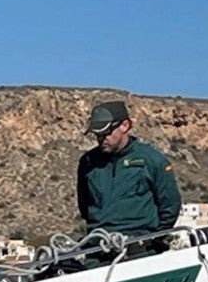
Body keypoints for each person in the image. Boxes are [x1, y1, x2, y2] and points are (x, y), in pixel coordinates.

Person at [77, 101, 181, 247]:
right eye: (97, 134)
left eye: (106, 132)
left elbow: (170, 205)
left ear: (125, 126)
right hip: (99, 245)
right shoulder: (88, 162)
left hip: (140, 245)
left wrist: (154, 239)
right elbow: (84, 206)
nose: (101, 138)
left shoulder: (152, 160)